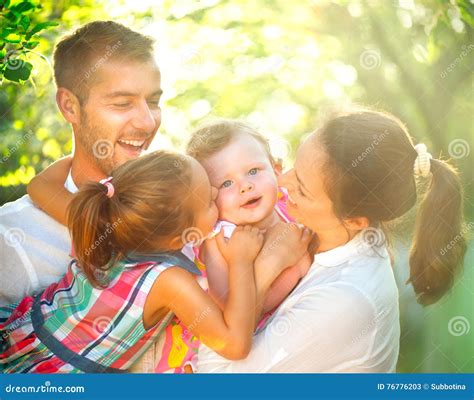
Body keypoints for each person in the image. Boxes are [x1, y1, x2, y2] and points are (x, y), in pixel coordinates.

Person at [197, 107, 466, 372]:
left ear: (355, 220)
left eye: (301, 187)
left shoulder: (345, 301)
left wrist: (267, 266)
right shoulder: (335, 229)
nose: (283, 182)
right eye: (294, 166)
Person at [0, 151, 311, 373]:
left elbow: (39, 186)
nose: (217, 192)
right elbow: (234, 344)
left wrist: (87, 162)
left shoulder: (111, 225)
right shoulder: (170, 281)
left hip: (20, 331)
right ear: (180, 238)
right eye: (206, 200)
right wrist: (242, 261)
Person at [0, 21, 162, 306]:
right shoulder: (12, 237)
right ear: (70, 107)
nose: (148, 122)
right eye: (123, 104)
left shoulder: (185, 203)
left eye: (153, 101)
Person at [187, 120, 312, 312]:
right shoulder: (219, 241)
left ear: (275, 169)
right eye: (226, 184)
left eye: (253, 171)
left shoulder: (290, 206)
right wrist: (296, 271)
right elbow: (232, 308)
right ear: (208, 197)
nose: (245, 186)